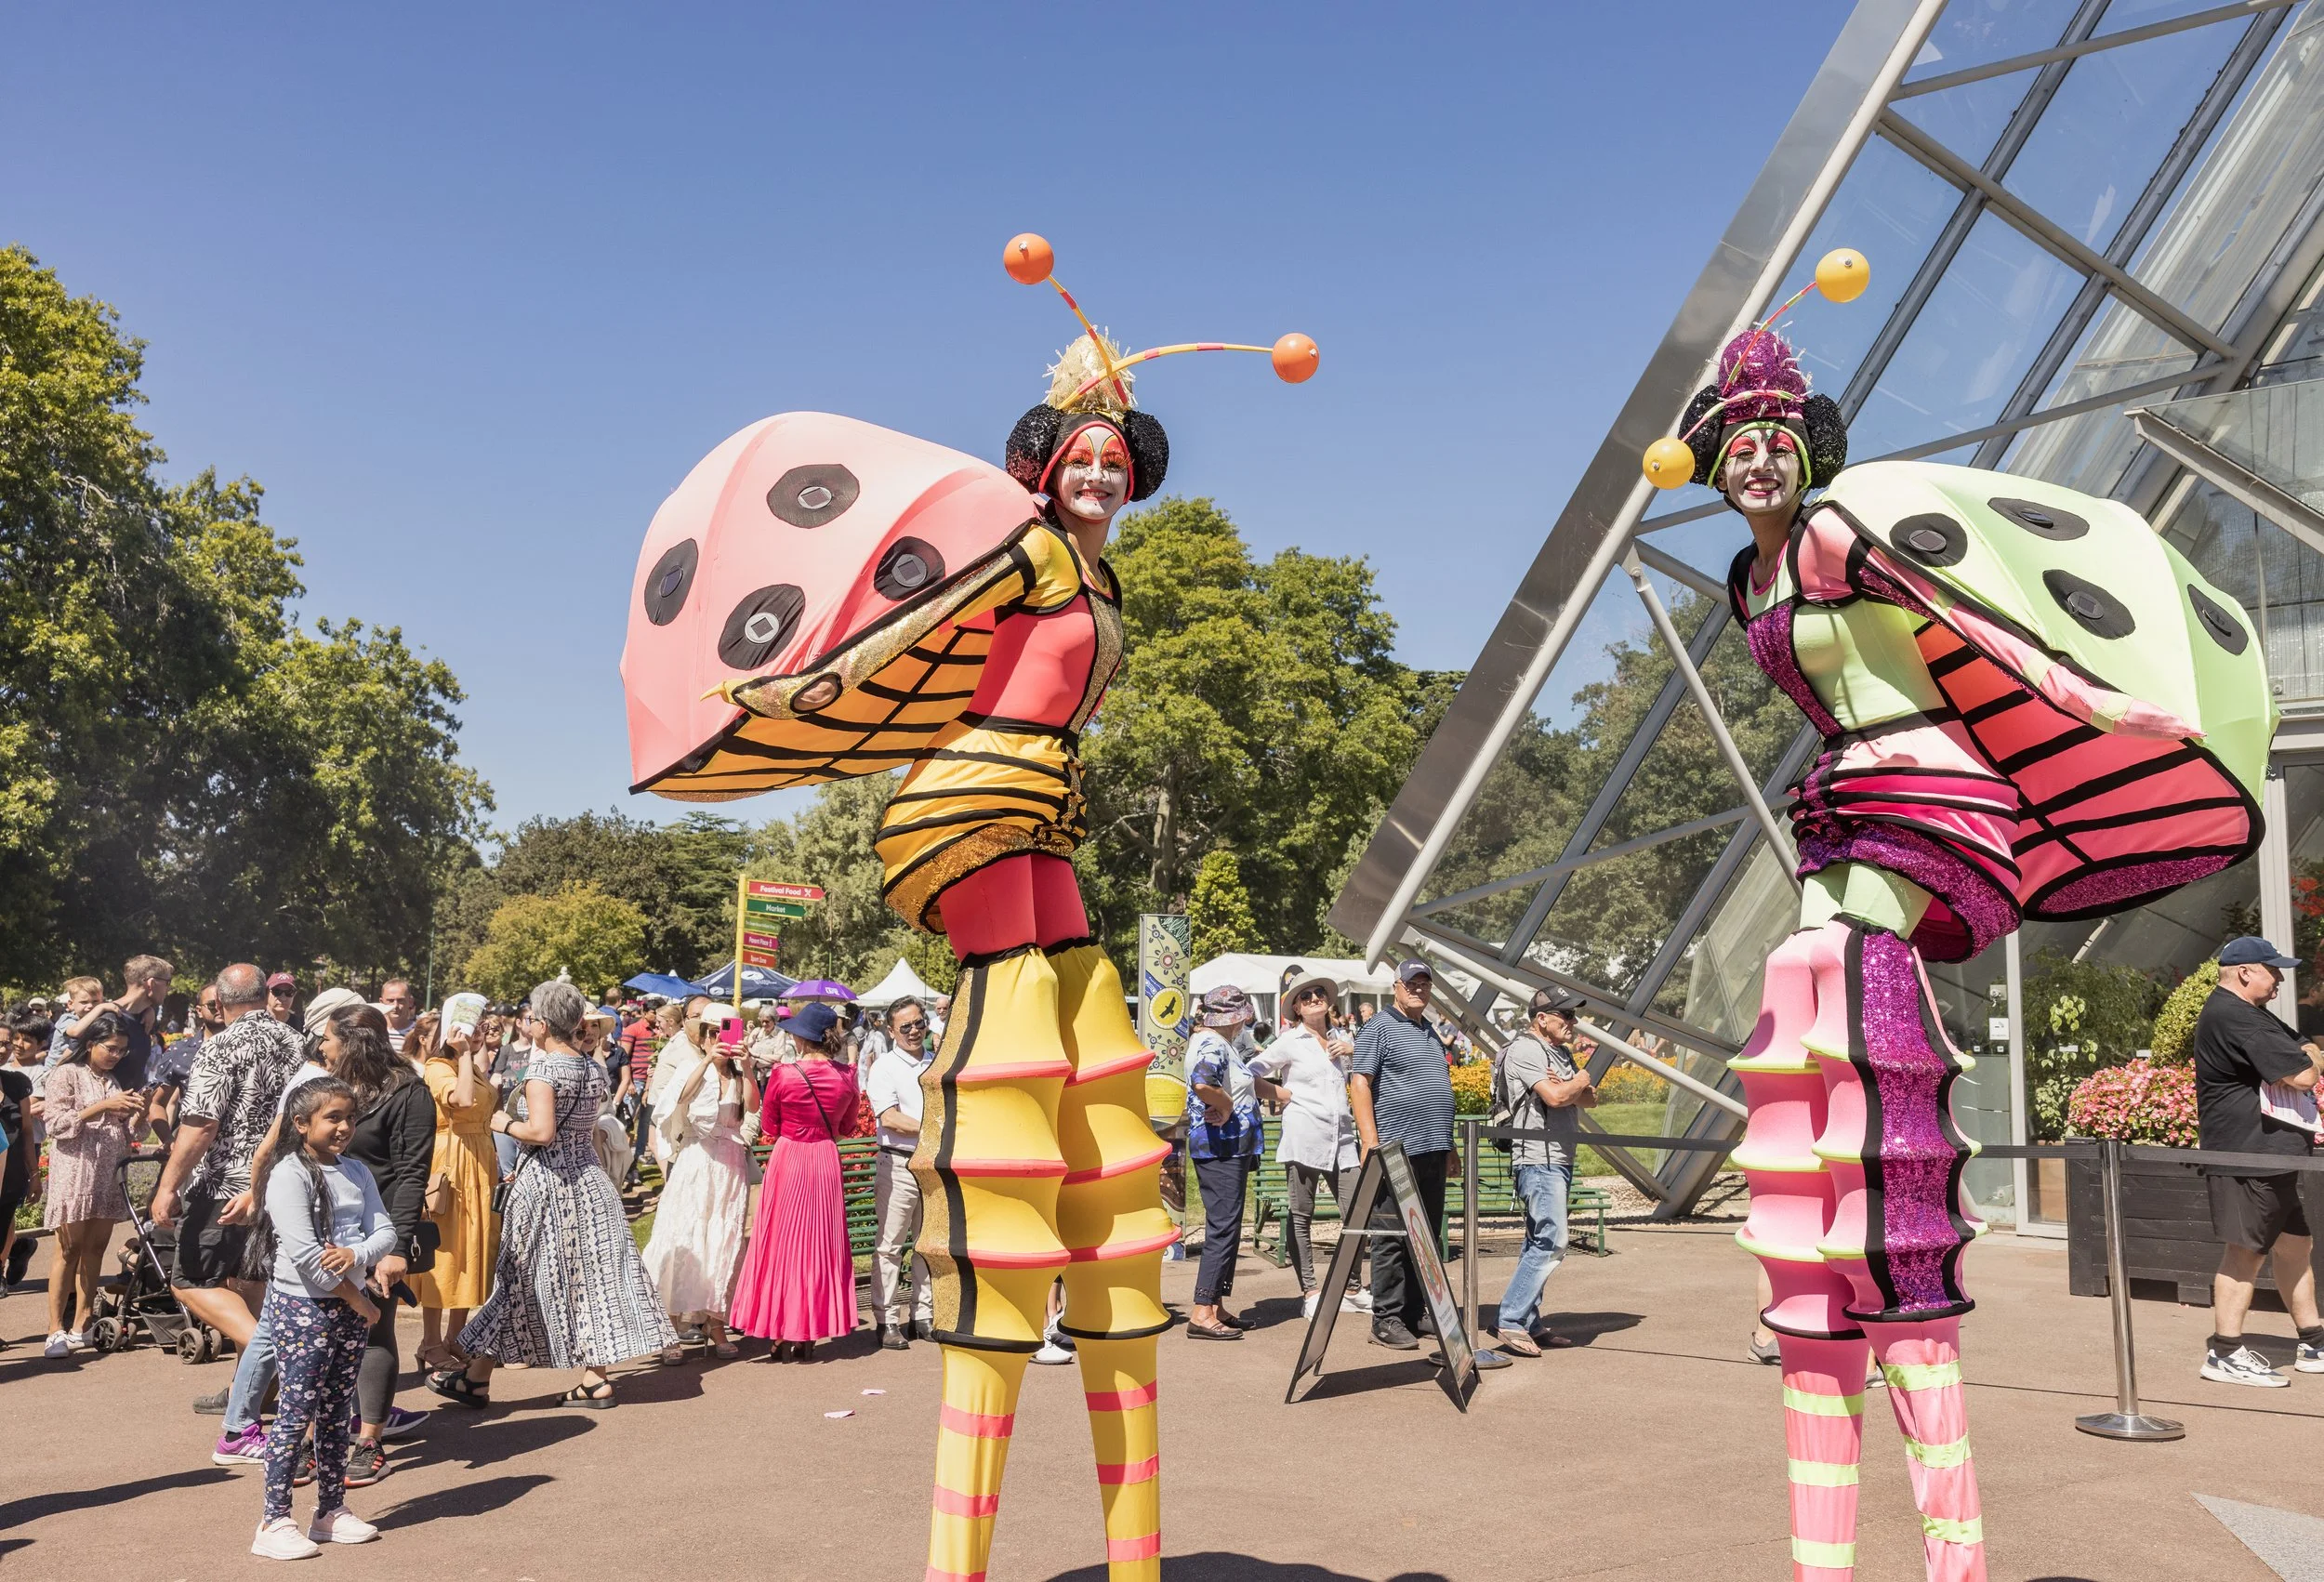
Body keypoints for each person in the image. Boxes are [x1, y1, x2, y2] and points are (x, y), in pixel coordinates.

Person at [620, 242, 1314, 1582]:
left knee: (1080, 987)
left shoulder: (1104, 578)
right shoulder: (1031, 550)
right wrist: (798, 688)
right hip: (969, 797)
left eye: (1120, 457)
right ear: (1047, 467)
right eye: (1084, 455)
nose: (1103, 473)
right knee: (1028, 996)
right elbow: (910, 628)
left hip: (1040, 803)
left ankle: (1127, 1511)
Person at [1639, 286, 2272, 1580]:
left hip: (1920, 789)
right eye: (1734, 437)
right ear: (1709, 460)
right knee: (1810, 977)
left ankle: (1954, 1541)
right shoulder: (1745, 576)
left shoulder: (1828, 534)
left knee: (1834, 964)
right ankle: (1830, 1243)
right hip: (1848, 802)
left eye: (1772, 430)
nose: (1756, 451)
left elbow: (1971, 618)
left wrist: (2092, 694)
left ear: (1803, 444)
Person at [433, 982, 675, 1409]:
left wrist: (501, 1123)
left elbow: (541, 1133)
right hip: (589, 1180)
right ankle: (590, 1380)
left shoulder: (545, 1071)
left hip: (547, 1184)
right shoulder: (590, 1068)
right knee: (593, 1281)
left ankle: (477, 1377)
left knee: (515, 1278)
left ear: (542, 1025)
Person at [247, 1076, 390, 1561]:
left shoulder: (356, 1171)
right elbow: (307, 1257)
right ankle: (273, 1519)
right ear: (301, 1123)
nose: (345, 1126)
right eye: (333, 1118)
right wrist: (359, 1299)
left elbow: (385, 1232)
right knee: (296, 1412)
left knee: (335, 1413)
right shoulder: (289, 1174)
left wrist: (355, 1251)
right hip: (305, 1307)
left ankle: (330, 1510)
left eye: (350, 1117)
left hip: (347, 1302)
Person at [151, 964, 308, 1386]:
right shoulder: (297, 1042)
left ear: (218, 1004)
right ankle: (252, 1396)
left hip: (225, 1186)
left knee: (188, 1281)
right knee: (250, 1283)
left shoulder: (221, 1046)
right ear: (264, 994)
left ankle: (268, 1352)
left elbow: (201, 1126)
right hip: (285, 1184)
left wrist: (168, 1187)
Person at [2191, 937, 2324, 1387]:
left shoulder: (2251, 1014)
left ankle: (2313, 1340)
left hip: (2270, 1157)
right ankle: (2225, 1352)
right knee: (2245, 1253)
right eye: (2273, 970)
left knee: (2294, 1246)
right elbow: (2304, 1073)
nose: (2282, 980)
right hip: (2249, 1157)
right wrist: (2310, 1059)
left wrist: (2306, 1053)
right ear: (2245, 971)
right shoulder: (2235, 1016)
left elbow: (2300, 1044)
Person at [328, 1006, 432, 1485]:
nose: (321, 1047)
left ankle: (370, 1439)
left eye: (329, 1039)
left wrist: (396, 1248)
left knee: (374, 1326)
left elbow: (412, 1173)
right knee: (320, 1331)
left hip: (380, 1231)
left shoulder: (409, 1092)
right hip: (326, 1228)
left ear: (355, 1043)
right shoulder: (336, 1089)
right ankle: (325, 1433)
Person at [731, 1002, 859, 1359]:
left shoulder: (785, 1074)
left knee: (781, 1246)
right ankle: (809, 1331)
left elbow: (769, 1126)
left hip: (789, 1158)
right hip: (824, 1158)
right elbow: (848, 1127)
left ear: (802, 1038)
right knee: (819, 1246)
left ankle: (781, 1329)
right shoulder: (847, 1076)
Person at [640, 1017, 759, 1358]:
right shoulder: (692, 1068)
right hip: (695, 1163)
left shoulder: (736, 1075)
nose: (719, 1040)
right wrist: (707, 1061)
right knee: (684, 1238)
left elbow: (752, 1106)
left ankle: (715, 1322)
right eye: (713, 1034)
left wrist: (747, 1067)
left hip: (730, 1166)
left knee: (723, 1243)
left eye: (725, 1033)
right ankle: (670, 1329)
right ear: (703, 1038)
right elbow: (681, 1098)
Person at [1248, 972, 1366, 1320]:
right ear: (1297, 1008)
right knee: (1302, 1215)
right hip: (1304, 1136)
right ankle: (1311, 1291)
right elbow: (1249, 1073)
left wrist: (1354, 1051)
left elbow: (1369, 1075)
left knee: (1358, 1213)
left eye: (1320, 993)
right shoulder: (1289, 1041)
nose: (1315, 998)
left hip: (1343, 1139)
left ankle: (1352, 1287)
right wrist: (1280, 1093)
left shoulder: (1342, 1039)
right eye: (1306, 996)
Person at [1490, 990, 1597, 1358]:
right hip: (1538, 1158)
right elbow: (1556, 1098)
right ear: (1541, 1019)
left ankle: (1529, 1320)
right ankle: (1511, 1319)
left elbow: (1588, 1098)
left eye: (1572, 1015)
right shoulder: (1527, 1050)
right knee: (1553, 1240)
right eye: (1565, 1014)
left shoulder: (1560, 1053)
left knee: (1538, 1240)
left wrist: (1573, 1085)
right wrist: (1578, 1080)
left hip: (1558, 1157)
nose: (1572, 1021)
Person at [39, 1010, 149, 1356]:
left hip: (106, 1172)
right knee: (68, 1250)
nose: (116, 1056)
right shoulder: (65, 1074)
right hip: (75, 1172)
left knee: (95, 1250)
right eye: (111, 1048)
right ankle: (55, 1329)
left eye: (122, 1051)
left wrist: (137, 1113)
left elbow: (130, 1134)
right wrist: (103, 1106)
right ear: (90, 1044)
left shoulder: (113, 1080)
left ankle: (81, 1325)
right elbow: (55, 1124)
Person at [416, 1012, 499, 1372]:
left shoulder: (471, 1066)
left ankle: (456, 1336)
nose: (479, 1032)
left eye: (482, 1026)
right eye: (471, 1026)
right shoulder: (438, 1067)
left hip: (479, 1159)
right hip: (452, 1165)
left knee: (471, 1250)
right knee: (446, 1253)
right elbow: (462, 1102)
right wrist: (464, 1053)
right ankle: (430, 1342)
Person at [1184, 985, 1261, 1340]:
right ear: (1239, 1016)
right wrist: (1227, 1106)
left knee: (1226, 1226)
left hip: (1226, 1147)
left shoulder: (1214, 1041)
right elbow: (1203, 1083)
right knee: (1223, 1227)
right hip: (1221, 1147)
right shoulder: (1214, 1043)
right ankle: (1202, 1310)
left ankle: (1215, 1305)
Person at [865, 997, 935, 1349]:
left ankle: (921, 1315)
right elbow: (890, 1117)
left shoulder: (935, 1062)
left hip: (931, 1166)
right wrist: (935, 1130)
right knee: (890, 1246)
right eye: (905, 1026)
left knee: (926, 1244)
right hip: (898, 1163)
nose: (913, 1031)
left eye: (918, 1023)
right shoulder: (884, 1067)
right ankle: (886, 1319)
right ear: (890, 1030)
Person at [378, 980, 420, 1061]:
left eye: (401, 1000)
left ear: (410, 1002)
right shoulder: (375, 1030)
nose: (395, 1005)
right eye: (390, 1001)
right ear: (381, 1002)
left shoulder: (418, 1032)